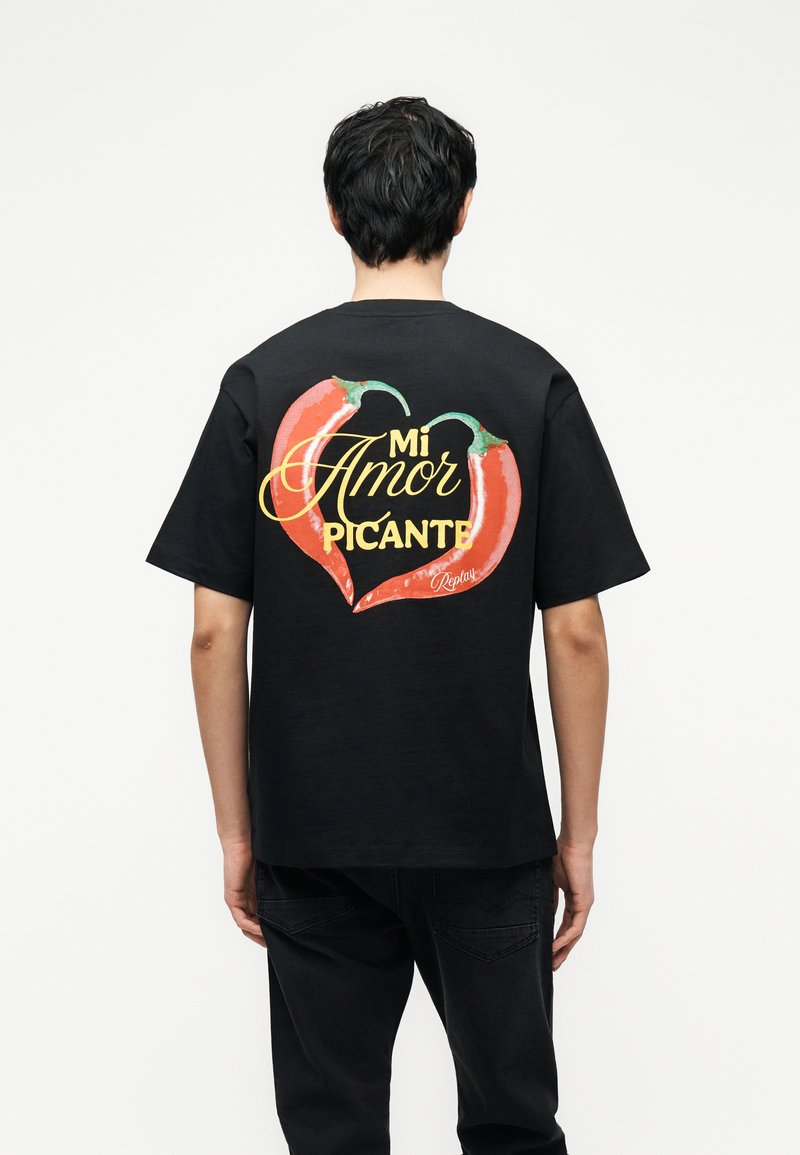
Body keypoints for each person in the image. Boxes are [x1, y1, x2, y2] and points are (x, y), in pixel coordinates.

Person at [145, 95, 649, 1155]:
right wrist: (578, 836)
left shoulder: (262, 383)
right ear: (463, 210)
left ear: (333, 213)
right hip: (489, 829)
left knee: (331, 1132)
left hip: (312, 829)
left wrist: (238, 831)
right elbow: (576, 634)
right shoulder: (529, 382)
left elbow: (211, 634)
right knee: (513, 1123)